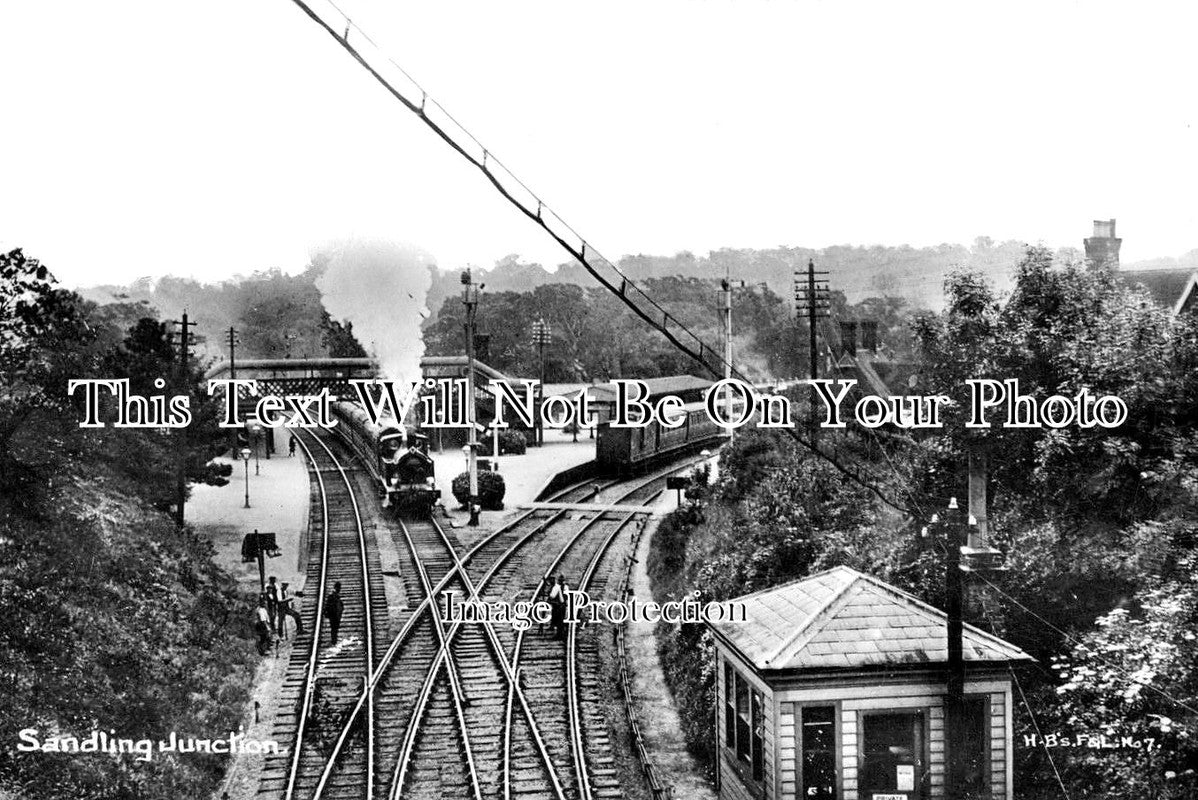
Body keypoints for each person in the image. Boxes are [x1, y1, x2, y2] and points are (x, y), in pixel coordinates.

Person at [549, 575, 569, 640]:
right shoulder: (562, 587)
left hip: (559, 605)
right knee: (559, 620)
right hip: (559, 605)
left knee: (560, 621)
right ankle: (560, 634)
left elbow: (552, 596)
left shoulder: (558, 587)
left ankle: (560, 634)